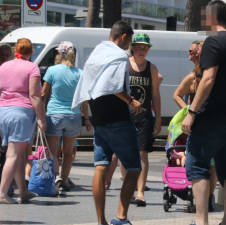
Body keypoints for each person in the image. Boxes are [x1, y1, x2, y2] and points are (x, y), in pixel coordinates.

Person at [181, 1, 226, 225]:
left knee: (197, 164)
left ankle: (201, 221)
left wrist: (191, 112)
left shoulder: (213, 42)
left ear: (211, 17)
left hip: (209, 118)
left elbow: (208, 78)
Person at [71, 21, 142, 225]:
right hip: (118, 117)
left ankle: (101, 220)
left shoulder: (97, 52)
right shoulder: (119, 56)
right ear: (123, 37)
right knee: (133, 167)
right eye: (129, 40)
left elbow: (88, 84)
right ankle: (120, 217)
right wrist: (132, 101)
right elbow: (115, 86)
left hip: (98, 116)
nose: (129, 45)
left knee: (100, 167)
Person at [41, 41, 92, 196]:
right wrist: (87, 119)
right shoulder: (80, 73)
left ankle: (56, 176)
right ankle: (64, 179)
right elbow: (84, 99)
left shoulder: (51, 70)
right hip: (73, 116)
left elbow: (44, 94)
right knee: (69, 153)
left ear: (59, 54)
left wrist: (40, 114)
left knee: (52, 151)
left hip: (55, 114)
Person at [0, 38, 46, 204]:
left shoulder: (4, 66)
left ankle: (23, 192)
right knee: (13, 154)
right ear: (31, 51)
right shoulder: (32, 67)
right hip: (21, 113)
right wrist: (41, 118)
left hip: (3, 111)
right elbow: (34, 95)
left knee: (18, 155)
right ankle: (3, 192)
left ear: (15, 51)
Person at [173, 40, 218, 211]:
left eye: (192, 51)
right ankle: (200, 200)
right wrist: (188, 111)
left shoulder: (212, 73)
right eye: (189, 51)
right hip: (196, 125)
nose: (189, 55)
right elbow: (176, 95)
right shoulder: (192, 77)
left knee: (211, 164)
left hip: (212, 123)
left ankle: (208, 198)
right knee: (197, 164)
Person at [127, 33, 161, 207]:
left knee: (142, 154)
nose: (142, 50)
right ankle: (130, 189)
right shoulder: (125, 65)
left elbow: (155, 94)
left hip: (145, 116)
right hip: (125, 116)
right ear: (132, 47)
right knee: (125, 154)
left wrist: (158, 118)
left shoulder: (151, 68)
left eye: (145, 47)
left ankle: (140, 192)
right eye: (139, 47)